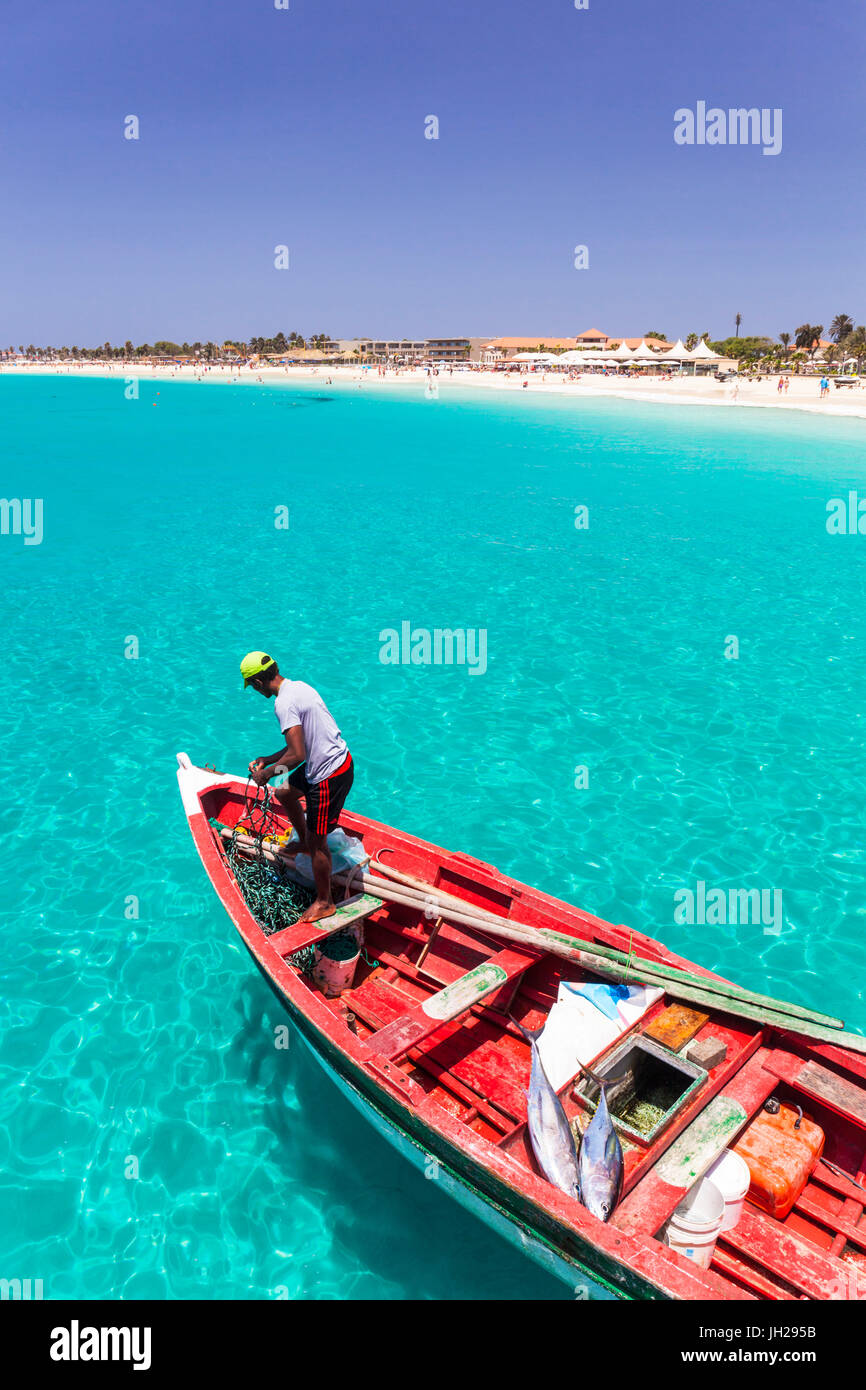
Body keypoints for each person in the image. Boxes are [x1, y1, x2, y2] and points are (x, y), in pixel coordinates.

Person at [239, 651, 354, 922]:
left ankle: (325, 902)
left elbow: (297, 755)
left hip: (329, 774)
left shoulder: (283, 704)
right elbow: (297, 745)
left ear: (256, 683)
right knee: (285, 793)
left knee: (319, 844)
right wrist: (269, 758)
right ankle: (303, 842)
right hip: (332, 762)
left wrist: (266, 773)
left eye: (252, 687)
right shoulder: (298, 687)